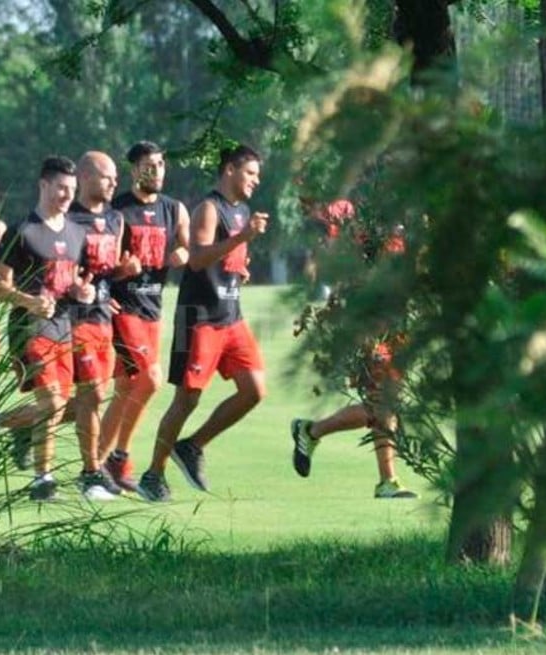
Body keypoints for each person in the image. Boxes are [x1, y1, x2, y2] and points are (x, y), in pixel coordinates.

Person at [137, 144, 270, 502]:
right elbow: (196, 260)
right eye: (251, 173)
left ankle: (192, 446)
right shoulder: (208, 209)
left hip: (231, 316)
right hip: (200, 318)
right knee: (187, 400)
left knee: (255, 389)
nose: (256, 181)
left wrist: (240, 266)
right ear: (229, 170)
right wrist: (242, 238)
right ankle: (153, 474)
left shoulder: (241, 210)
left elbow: (224, 259)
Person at [0, 156, 103, 501]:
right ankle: (43, 480)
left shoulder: (76, 232)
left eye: (71, 190)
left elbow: (74, 283)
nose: (67, 195)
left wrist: (85, 292)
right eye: (60, 188)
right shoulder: (23, 231)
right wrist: (27, 300)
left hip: (64, 327)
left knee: (68, 404)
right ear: (43, 185)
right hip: (29, 326)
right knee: (52, 401)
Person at [291, 207, 417, 499]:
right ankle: (386, 480)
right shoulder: (367, 224)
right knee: (382, 405)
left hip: (398, 324)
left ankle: (311, 432)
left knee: (384, 406)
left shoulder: (407, 221)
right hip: (370, 324)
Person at [98, 141, 191, 493]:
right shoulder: (118, 210)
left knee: (125, 388)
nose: (157, 172)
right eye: (149, 166)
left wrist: (182, 251)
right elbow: (98, 260)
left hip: (153, 310)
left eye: (161, 165)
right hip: (123, 310)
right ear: (134, 170)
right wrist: (120, 272)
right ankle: (114, 458)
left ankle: (104, 462)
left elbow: (187, 246)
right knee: (151, 379)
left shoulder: (174, 209)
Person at [65, 151, 128, 495]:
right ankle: (91, 473)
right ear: (86, 177)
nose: (114, 182)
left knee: (82, 402)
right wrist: (74, 285)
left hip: (105, 317)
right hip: (76, 318)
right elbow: (55, 261)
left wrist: (125, 271)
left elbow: (111, 267)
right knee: (96, 393)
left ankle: (15, 425)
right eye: (107, 176)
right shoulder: (68, 218)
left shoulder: (116, 218)